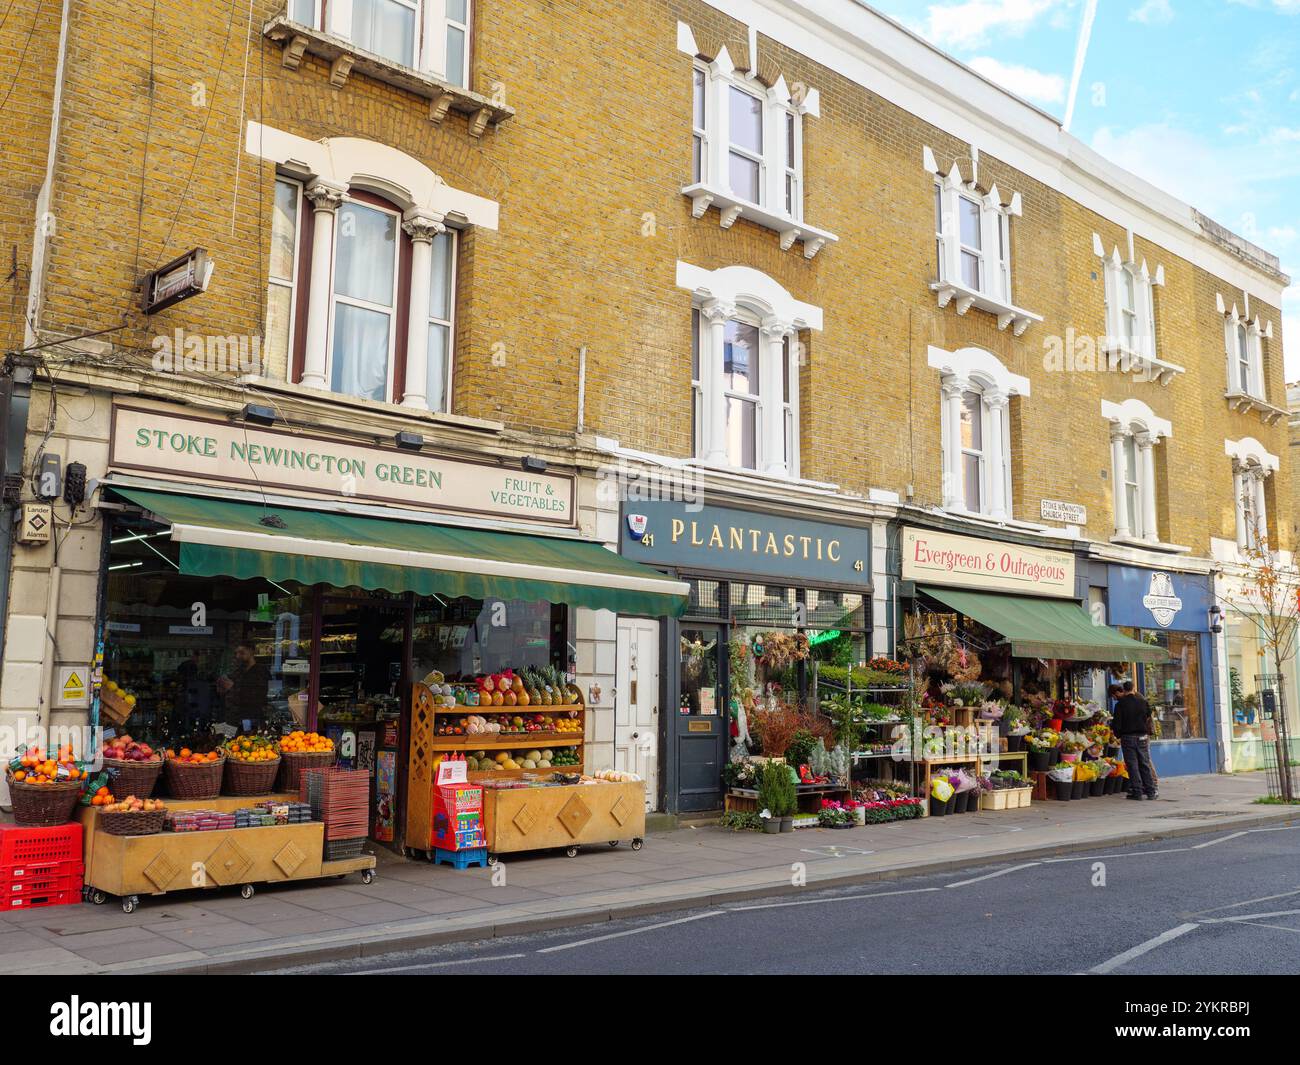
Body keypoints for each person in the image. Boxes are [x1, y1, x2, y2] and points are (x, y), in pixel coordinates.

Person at [1112, 679, 1157, 800]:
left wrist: (1118, 735)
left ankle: (1137, 792)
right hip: (1142, 736)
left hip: (1128, 737)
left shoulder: (1120, 705)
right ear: (1133, 689)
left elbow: (1117, 724)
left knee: (1132, 765)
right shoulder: (1142, 701)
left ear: (1124, 690)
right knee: (1144, 763)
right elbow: (1148, 715)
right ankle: (1151, 791)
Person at [215, 641, 270, 734]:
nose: (238, 656)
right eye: (236, 653)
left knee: (246, 740)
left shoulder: (260, 670)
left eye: (241, 652)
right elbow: (225, 685)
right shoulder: (239, 670)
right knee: (225, 739)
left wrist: (232, 688)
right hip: (232, 716)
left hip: (250, 716)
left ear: (251, 651)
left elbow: (260, 694)